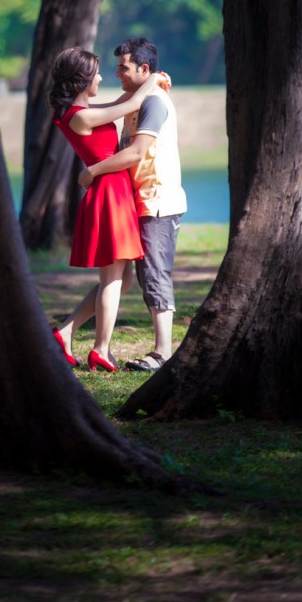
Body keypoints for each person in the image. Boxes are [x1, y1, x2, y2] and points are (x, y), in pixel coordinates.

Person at [49, 46, 162, 373]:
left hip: (113, 192)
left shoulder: (83, 111)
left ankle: (66, 331)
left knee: (122, 279)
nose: (102, 76)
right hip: (109, 194)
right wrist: (154, 75)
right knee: (113, 278)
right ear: (83, 80)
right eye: (97, 72)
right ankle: (101, 348)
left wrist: (148, 82)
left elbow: (118, 105)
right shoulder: (80, 116)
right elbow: (132, 104)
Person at [78, 37, 186, 372]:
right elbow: (103, 111)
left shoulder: (153, 102)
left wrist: (92, 172)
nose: (117, 74)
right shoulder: (136, 99)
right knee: (126, 279)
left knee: (154, 275)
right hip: (137, 203)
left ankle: (162, 352)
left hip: (158, 202)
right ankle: (68, 329)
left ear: (143, 68)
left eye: (123, 68)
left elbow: (137, 152)